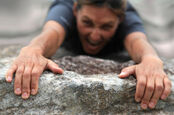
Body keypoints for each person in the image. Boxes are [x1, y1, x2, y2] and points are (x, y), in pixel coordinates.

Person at [5, 0, 171, 110]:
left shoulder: (128, 16)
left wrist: (151, 60)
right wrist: (33, 50)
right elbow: (52, 32)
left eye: (106, 27)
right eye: (87, 23)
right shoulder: (65, 7)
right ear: (76, 10)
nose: (95, 36)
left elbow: (138, 41)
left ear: (120, 20)